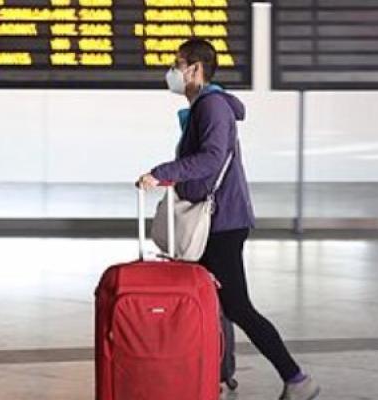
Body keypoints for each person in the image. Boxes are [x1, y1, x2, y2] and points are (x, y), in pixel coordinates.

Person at [137, 38, 321, 400]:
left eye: (178, 64)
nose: (172, 72)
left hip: (221, 223)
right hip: (216, 219)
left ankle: (297, 379)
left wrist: (161, 173)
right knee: (214, 302)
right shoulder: (203, 108)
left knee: (237, 305)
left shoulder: (212, 107)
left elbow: (210, 158)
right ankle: (218, 377)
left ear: (195, 68)